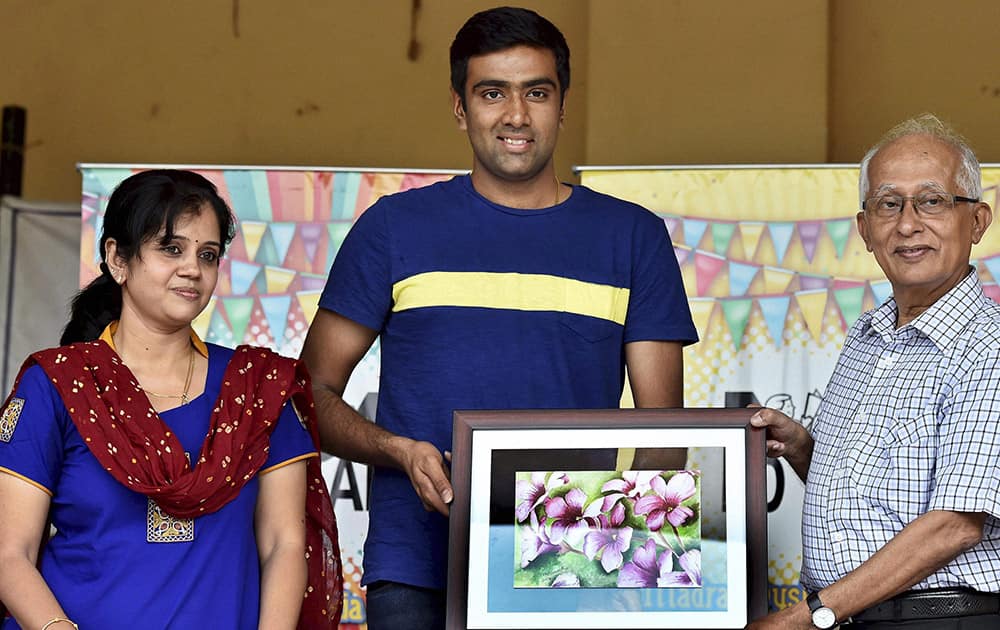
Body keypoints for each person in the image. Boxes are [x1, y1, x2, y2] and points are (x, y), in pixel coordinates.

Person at [300, 6, 697, 629]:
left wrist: (597, 550)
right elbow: (311, 395)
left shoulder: (633, 237)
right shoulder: (392, 229)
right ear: (460, 108)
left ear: (563, 105)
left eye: (537, 93)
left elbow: (662, 435)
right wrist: (399, 451)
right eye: (492, 93)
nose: (516, 115)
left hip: (565, 568)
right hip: (415, 567)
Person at [0, 170, 342, 629]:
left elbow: (283, 543)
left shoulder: (257, 388)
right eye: (171, 248)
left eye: (208, 254)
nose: (193, 269)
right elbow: (9, 553)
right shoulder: (58, 384)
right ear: (117, 259)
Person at [749, 114, 1000, 629]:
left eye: (932, 201)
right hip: (855, 617)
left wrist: (803, 619)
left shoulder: (987, 344)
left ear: (976, 221)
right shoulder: (867, 337)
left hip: (937, 620)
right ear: (865, 230)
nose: (908, 224)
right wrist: (803, 448)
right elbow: (875, 498)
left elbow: (955, 524)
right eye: (888, 204)